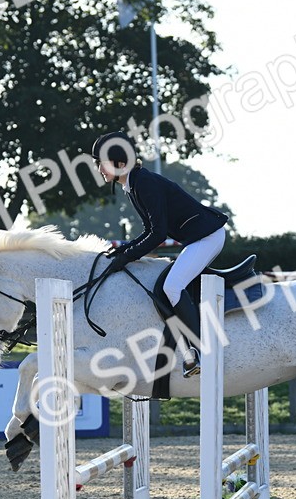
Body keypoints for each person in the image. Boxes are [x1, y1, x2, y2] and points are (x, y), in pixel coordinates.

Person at [92, 131, 228, 377]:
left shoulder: (143, 182)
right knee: (166, 287)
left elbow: (158, 235)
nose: (98, 169)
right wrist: (123, 250)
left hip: (208, 237)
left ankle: (204, 350)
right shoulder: (132, 184)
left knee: (172, 287)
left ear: (120, 164)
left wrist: (127, 256)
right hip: (199, 237)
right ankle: (190, 352)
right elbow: (149, 230)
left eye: (100, 163)